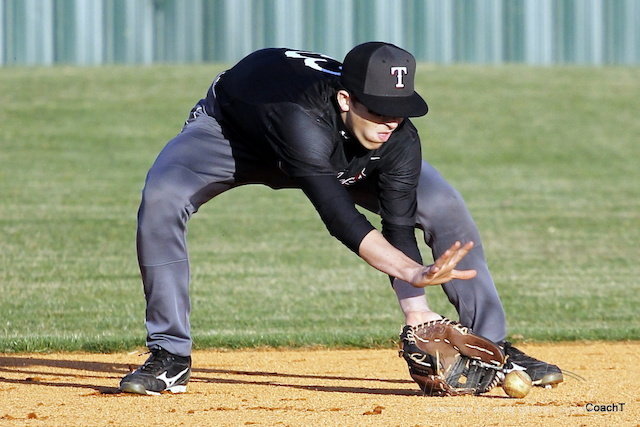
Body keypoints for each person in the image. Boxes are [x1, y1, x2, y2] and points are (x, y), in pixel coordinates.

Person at [119, 42, 562, 395]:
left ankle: (492, 348)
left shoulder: (397, 136)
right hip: (235, 138)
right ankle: (169, 356)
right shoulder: (299, 116)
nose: (390, 121)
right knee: (162, 198)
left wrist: (418, 313)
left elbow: (398, 224)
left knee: (443, 204)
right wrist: (412, 271)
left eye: (398, 110)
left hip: (339, 147)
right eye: (378, 109)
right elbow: (337, 215)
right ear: (346, 99)